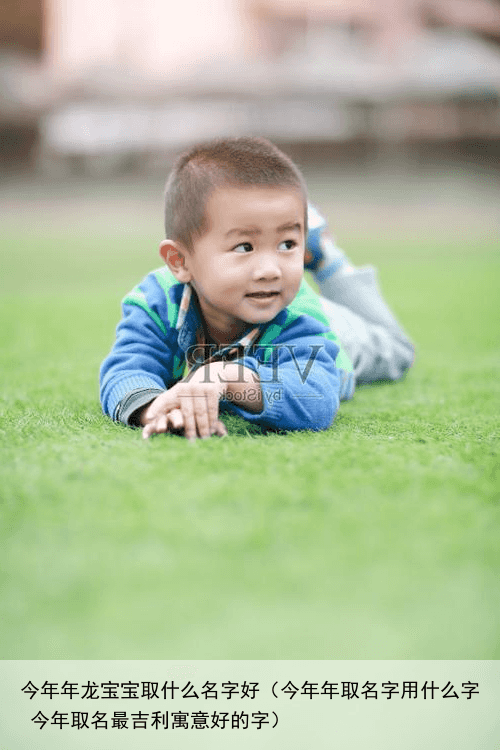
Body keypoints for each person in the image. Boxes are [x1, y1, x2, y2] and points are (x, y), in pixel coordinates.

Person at [100, 137, 414, 440]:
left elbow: (316, 397)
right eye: (244, 246)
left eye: (287, 244)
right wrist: (157, 409)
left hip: (335, 335)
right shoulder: (156, 303)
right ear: (180, 261)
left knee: (396, 351)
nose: (269, 270)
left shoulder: (298, 315)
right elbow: (126, 369)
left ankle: (327, 257)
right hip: (267, 309)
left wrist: (226, 377)